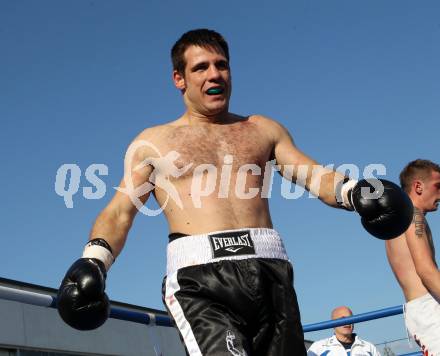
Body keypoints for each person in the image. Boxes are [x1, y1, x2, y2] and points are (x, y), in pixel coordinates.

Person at [56, 29, 413, 356]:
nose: (214, 74)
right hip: (200, 279)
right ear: (179, 79)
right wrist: (94, 261)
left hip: (271, 269)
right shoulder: (154, 142)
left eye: (221, 65)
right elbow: (121, 211)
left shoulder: (261, 129)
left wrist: (356, 191)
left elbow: (313, 175)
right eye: (201, 68)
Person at [386, 159, 440, 355]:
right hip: (428, 308)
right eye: (438, 186)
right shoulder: (414, 216)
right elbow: (426, 271)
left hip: (420, 309)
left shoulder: (399, 218)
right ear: (418, 186)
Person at [307, 306, 381, 356]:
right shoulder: (318, 347)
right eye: (342, 319)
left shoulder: (369, 347)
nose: (347, 322)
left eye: (350, 318)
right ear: (332, 323)